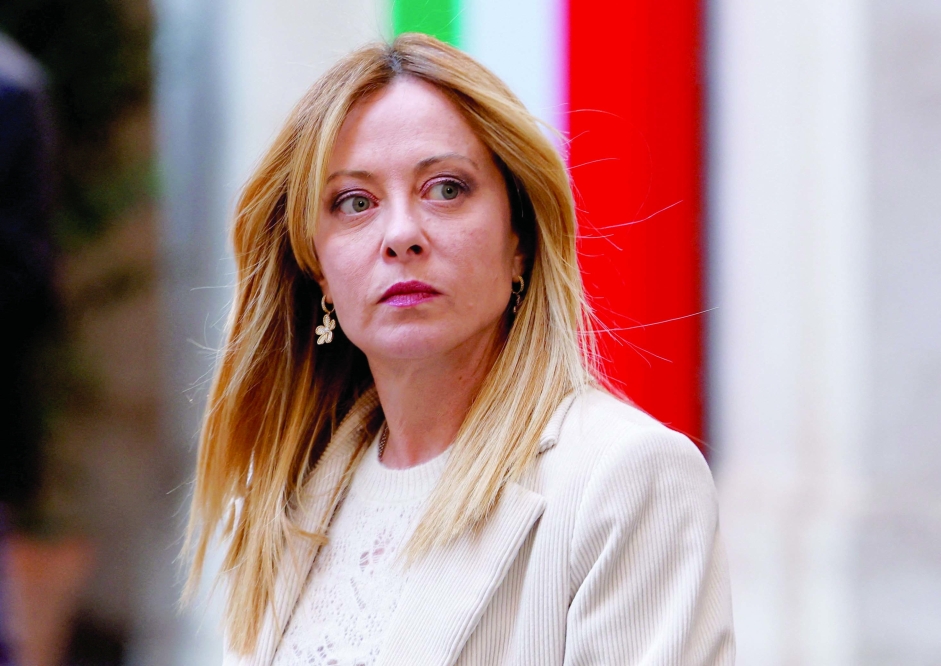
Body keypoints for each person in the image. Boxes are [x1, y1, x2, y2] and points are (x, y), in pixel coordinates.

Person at [185, 33, 734, 666]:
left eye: (446, 188)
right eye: (355, 202)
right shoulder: (285, 501)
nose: (401, 235)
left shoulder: (625, 477)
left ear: (520, 237)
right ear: (316, 267)